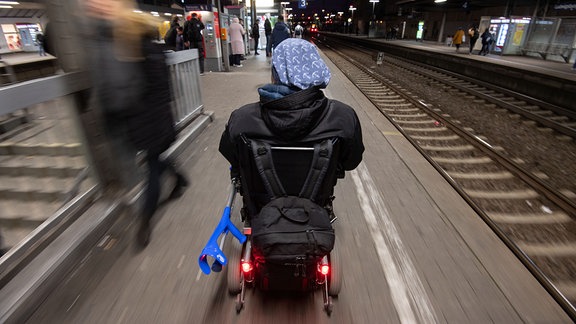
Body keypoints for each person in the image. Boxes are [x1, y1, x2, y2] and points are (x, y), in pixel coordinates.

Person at [219, 38, 364, 219]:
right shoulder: (343, 116)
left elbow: (232, 156)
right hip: (316, 209)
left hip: (261, 211)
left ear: (275, 73)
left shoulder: (242, 118)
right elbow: (350, 162)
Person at [82, 0, 188, 247]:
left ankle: (145, 220)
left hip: (145, 121)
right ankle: (180, 179)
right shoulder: (152, 50)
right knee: (155, 159)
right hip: (154, 119)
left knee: (152, 167)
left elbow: (131, 91)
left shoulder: (133, 54)